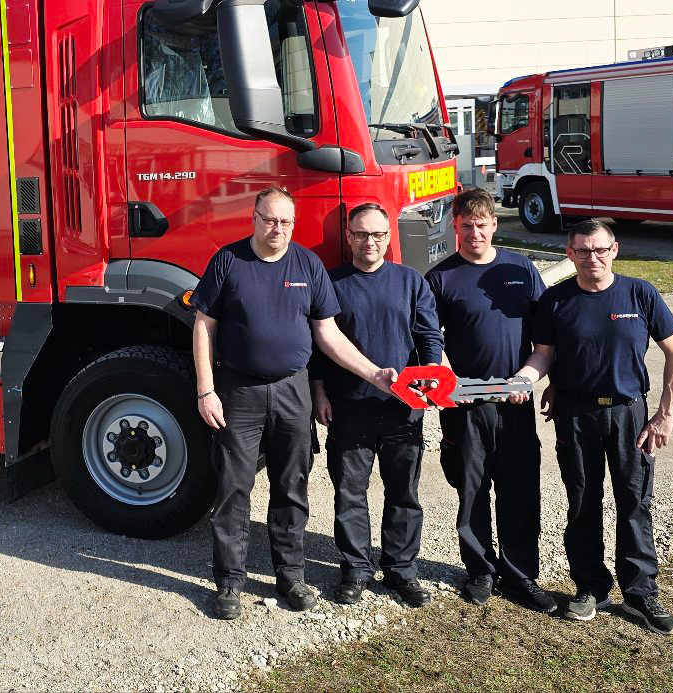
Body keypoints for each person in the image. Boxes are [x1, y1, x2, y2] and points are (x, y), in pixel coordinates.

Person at [193, 188, 399, 621]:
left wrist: (373, 373)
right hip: (238, 392)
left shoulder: (307, 264)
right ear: (254, 218)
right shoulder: (228, 261)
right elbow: (203, 326)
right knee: (233, 488)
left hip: (293, 390)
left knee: (291, 487)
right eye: (270, 220)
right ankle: (230, 582)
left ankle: (291, 575)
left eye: (286, 222)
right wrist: (206, 389)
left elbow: (328, 334)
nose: (278, 229)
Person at [515, 218, 673, 635]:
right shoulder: (555, 301)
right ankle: (590, 587)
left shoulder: (640, 293)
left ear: (614, 250)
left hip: (630, 414)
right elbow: (544, 355)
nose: (591, 257)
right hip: (576, 415)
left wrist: (665, 413)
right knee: (582, 501)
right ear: (569, 254)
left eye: (599, 249)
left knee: (634, 502)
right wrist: (525, 379)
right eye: (582, 250)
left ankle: (641, 593)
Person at [425, 188, 554, 612]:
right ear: (454, 226)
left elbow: (545, 340)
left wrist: (529, 379)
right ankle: (479, 571)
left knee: (519, 490)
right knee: (472, 490)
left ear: (495, 224)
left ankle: (521, 577)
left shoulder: (521, 268)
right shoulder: (440, 278)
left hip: (515, 403)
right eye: (466, 225)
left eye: (482, 224)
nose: (474, 232)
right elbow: (430, 341)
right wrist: (449, 380)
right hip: (465, 406)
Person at [311, 203, 442, 608]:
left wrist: (433, 372)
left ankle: (401, 569)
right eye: (362, 234)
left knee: (404, 492)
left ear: (389, 237)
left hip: (403, 407)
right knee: (350, 493)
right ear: (349, 237)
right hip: (349, 406)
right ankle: (355, 569)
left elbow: (428, 336)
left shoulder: (410, 281)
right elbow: (317, 347)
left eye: (378, 234)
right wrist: (319, 392)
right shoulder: (330, 283)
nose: (370, 242)